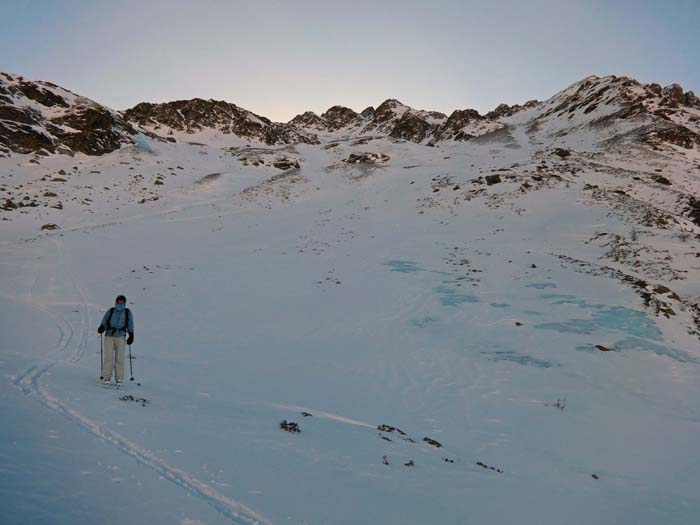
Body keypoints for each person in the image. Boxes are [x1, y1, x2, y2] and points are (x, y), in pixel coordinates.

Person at [98, 294, 134, 388]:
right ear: (116, 301)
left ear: (124, 302)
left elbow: (130, 324)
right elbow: (105, 321)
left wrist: (131, 335)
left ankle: (119, 379)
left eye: (122, 300)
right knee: (108, 357)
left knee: (120, 358)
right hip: (109, 336)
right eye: (119, 300)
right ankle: (107, 378)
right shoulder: (111, 311)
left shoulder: (127, 312)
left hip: (121, 337)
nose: (121, 302)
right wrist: (102, 327)